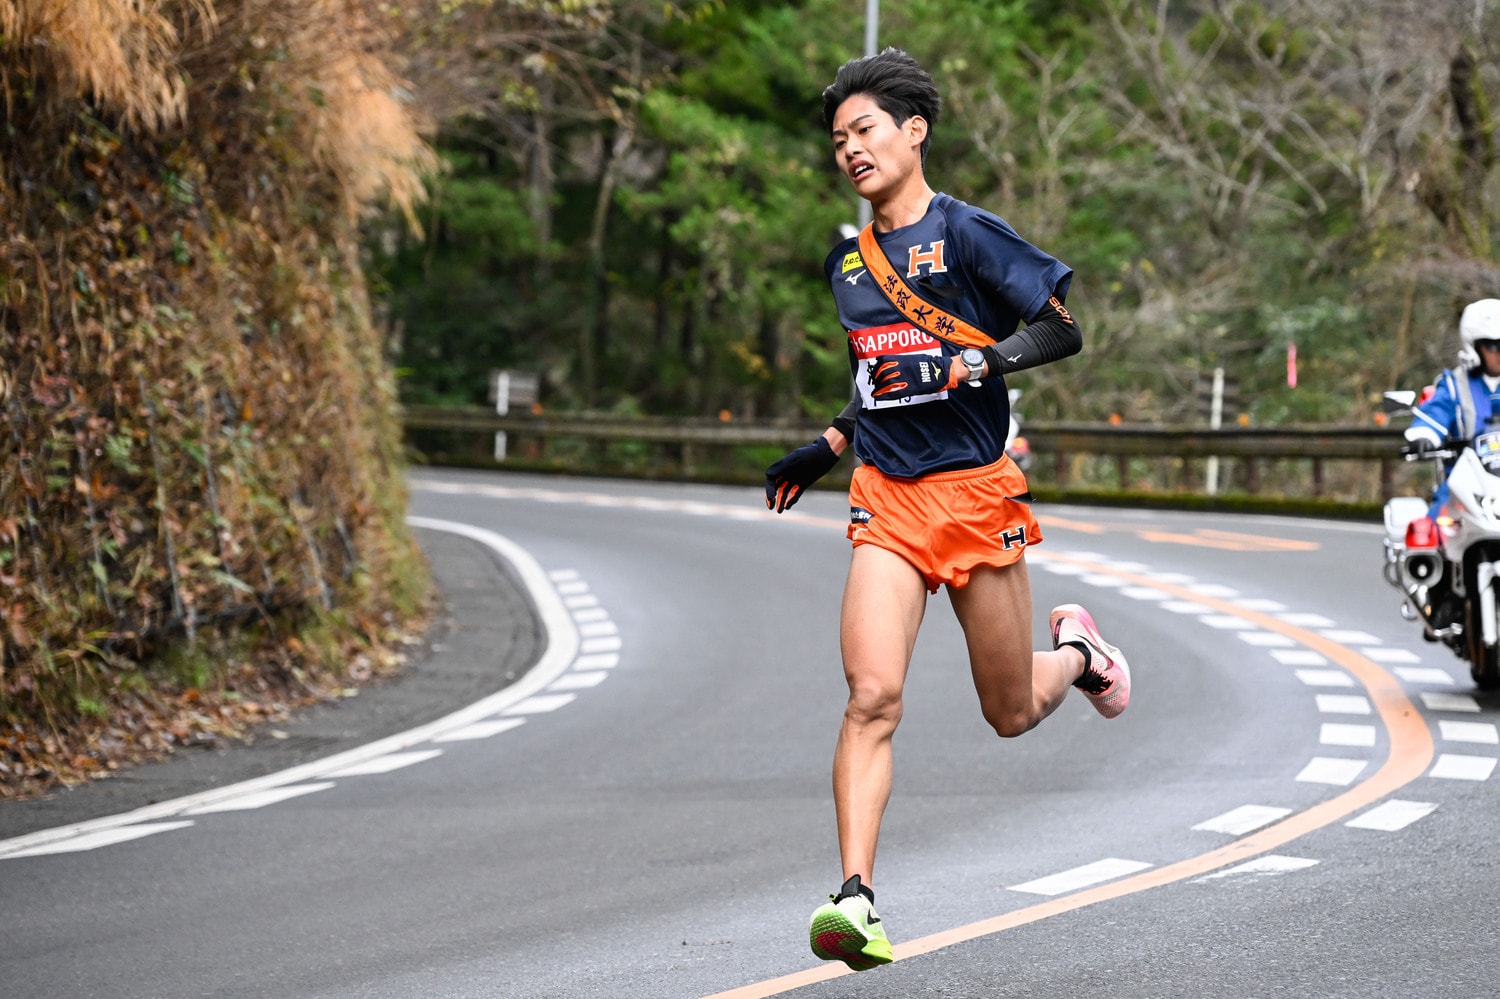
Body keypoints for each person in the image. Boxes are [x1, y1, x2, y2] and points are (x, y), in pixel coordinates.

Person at [763, 48, 1133, 972]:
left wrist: (971, 363)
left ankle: (1081, 653)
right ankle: (855, 900)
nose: (850, 148)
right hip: (886, 494)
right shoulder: (847, 262)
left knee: (1009, 711)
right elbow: (874, 378)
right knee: (872, 695)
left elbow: (1061, 327)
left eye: (866, 129)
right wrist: (830, 444)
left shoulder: (967, 235)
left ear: (913, 131)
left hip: (974, 490)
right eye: (839, 137)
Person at [1404, 297, 1500, 520]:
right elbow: (1435, 413)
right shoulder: (1454, 385)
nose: (1499, 353)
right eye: (1493, 346)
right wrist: (1423, 435)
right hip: (1465, 486)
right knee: (1431, 531)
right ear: (1474, 346)